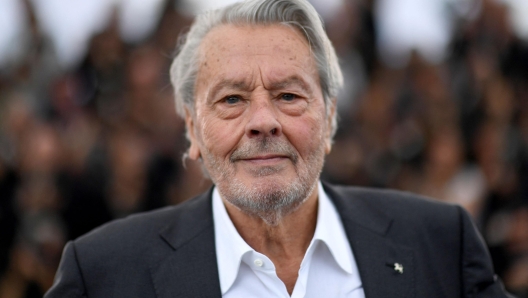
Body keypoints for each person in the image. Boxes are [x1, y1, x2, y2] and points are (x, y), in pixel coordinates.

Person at [45, 0, 512, 297]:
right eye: (232, 100)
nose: (263, 122)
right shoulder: (104, 274)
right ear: (192, 127)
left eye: (288, 96)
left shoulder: (439, 243)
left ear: (330, 117)